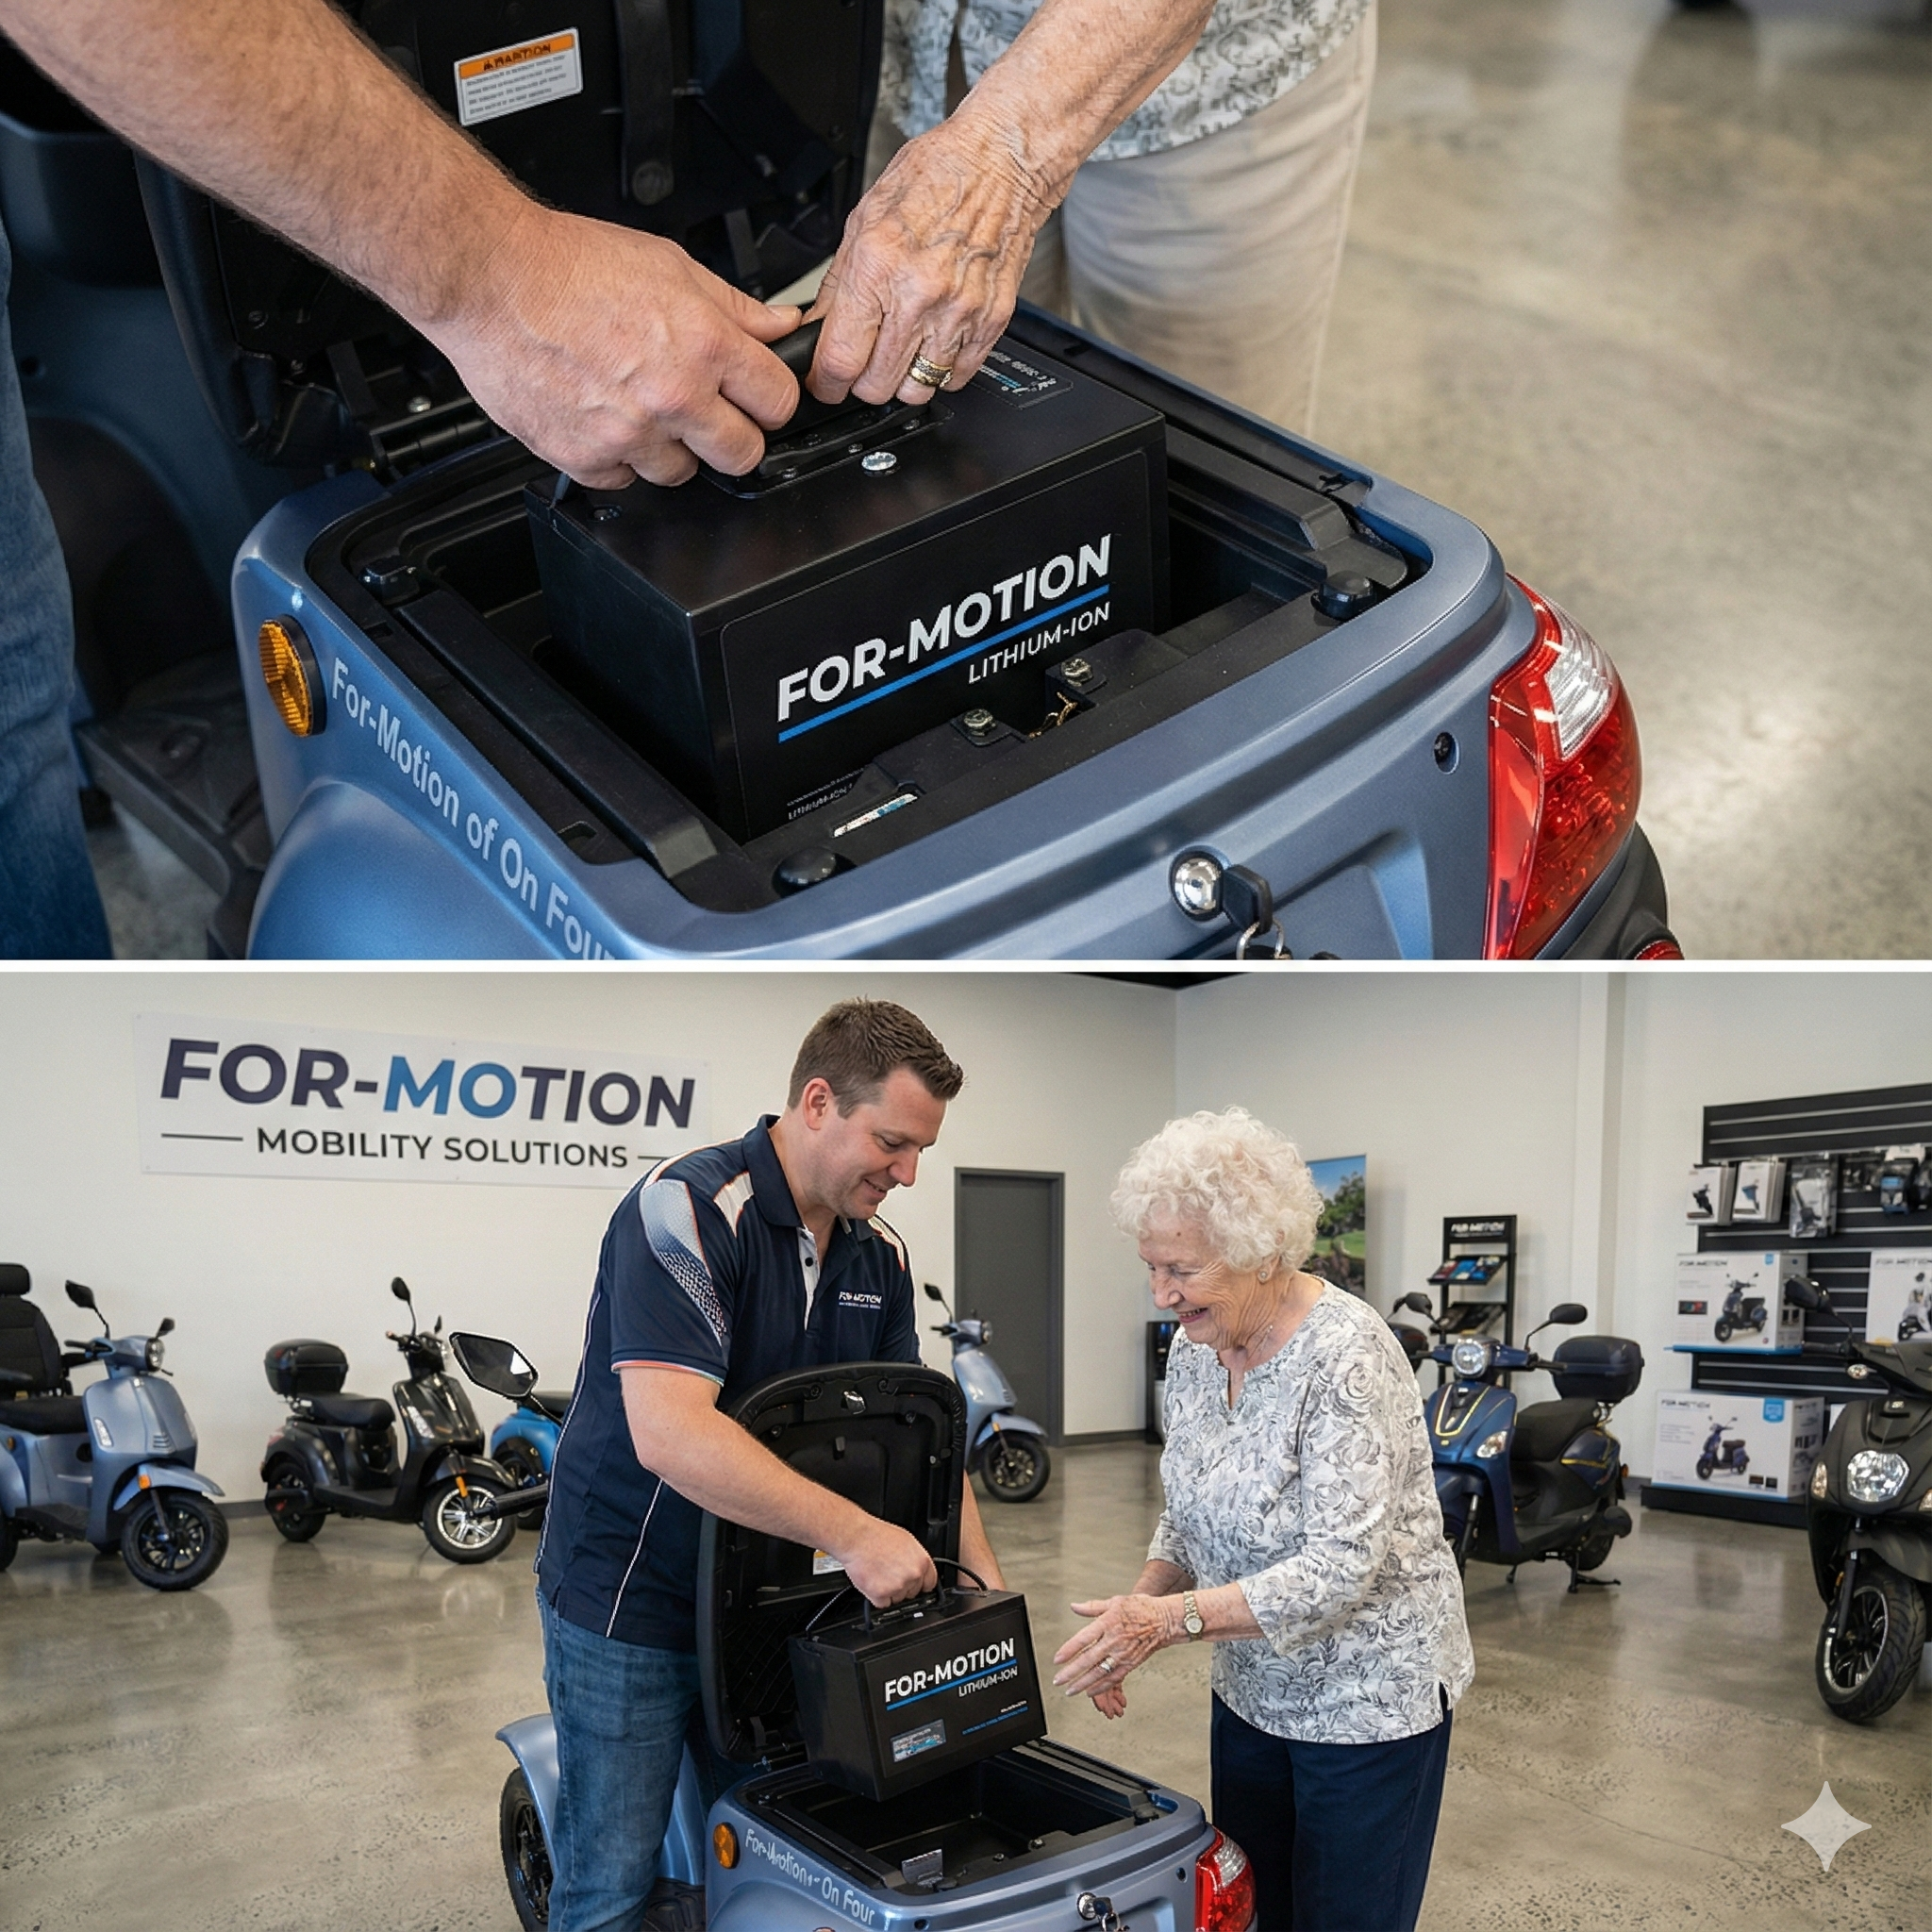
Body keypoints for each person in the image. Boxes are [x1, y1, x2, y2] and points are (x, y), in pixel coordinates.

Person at [533, 998, 1002, 1932]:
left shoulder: (882, 1253)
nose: (907, 1173)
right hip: (636, 1600)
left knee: (765, 1853)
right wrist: (857, 1534)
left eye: (921, 1152)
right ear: (818, 1100)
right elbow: (668, 1432)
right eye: (893, 1142)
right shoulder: (686, 1210)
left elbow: (920, 1437)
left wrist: (982, 1582)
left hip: (770, 1608)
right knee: (610, 1882)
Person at [1053, 1107, 1471, 1932]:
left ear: (1261, 1253)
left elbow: (1339, 1568)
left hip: (1368, 1706)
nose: (1162, 1294)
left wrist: (1165, 1622)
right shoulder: (1194, 1349)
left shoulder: (1347, 1355)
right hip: (1251, 1694)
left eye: (1181, 1269)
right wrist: (1129, 1618)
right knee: (1251, 1914)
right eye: (1151, 1267)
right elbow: (1187, 1510)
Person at [842, 0, 1377, 434]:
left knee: (1196, 442)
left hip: (1205, 88)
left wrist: (998, 159)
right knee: (955, 433)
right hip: (922, 43)